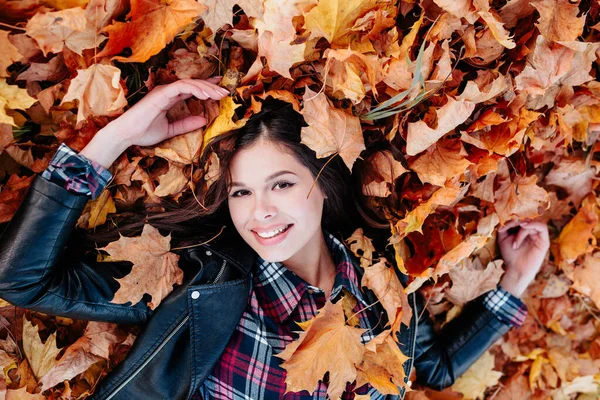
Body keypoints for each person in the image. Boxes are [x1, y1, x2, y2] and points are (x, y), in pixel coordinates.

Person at [0, 78, 550, 400]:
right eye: (240, 192)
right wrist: (114, 137)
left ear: (323, 183)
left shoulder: (384, 285)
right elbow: (21, 280)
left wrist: (517, 279)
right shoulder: (203, 286)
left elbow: (430, 368)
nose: (258, 212)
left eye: (281, 184)